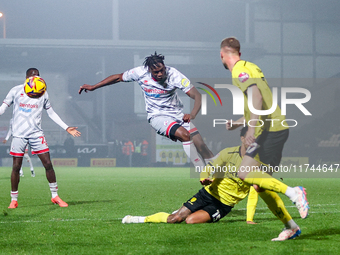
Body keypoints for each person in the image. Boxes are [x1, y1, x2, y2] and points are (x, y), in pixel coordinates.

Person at [122, 127, 302, 241]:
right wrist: (204, 177)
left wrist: (250, 216)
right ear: (241, 138)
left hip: (223, 205)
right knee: (174, 218)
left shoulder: (259, 162)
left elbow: (259, 188)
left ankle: (291, 213)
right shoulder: (227, 153)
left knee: (191, 221)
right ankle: (138, 219)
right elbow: (209, 168)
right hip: (207, 194)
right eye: (248, 137)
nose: (251, 141)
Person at [219, 37, 309, 219]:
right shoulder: (251, 66)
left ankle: (294, 192)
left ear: (222, 55)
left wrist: (250, 130)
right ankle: (291, 227)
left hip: (269, 130)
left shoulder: (239, 71)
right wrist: (237, 124)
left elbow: (257, 98)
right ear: (240, 52)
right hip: (275, 128)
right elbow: (258, 105)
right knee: (259, 184)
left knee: (244, 173)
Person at [79, 52, 216, 169]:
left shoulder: (174, 75)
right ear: (149, 69)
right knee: (185, 135)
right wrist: (93, 87)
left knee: (202, 146)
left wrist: (192, 114)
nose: (160, 74)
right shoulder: (140, 72)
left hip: (177, 115)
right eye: (156, 72)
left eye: (162, 70)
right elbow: (118, 77)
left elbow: (197, 95)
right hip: (157, 116)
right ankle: (202, 170)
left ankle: (219, 175)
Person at [0, 68, 81, 209]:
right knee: (16, 166)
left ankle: (55, 196)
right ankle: (14, 199)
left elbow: (51, 113)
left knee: (48, 164)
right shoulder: (16, 90)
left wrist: (66, 127)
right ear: (26, 78)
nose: (35, 79)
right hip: (19, 134)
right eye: (32, 76)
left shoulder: (43, 93)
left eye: (37, 76)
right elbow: (3, 108)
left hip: (37, 134)